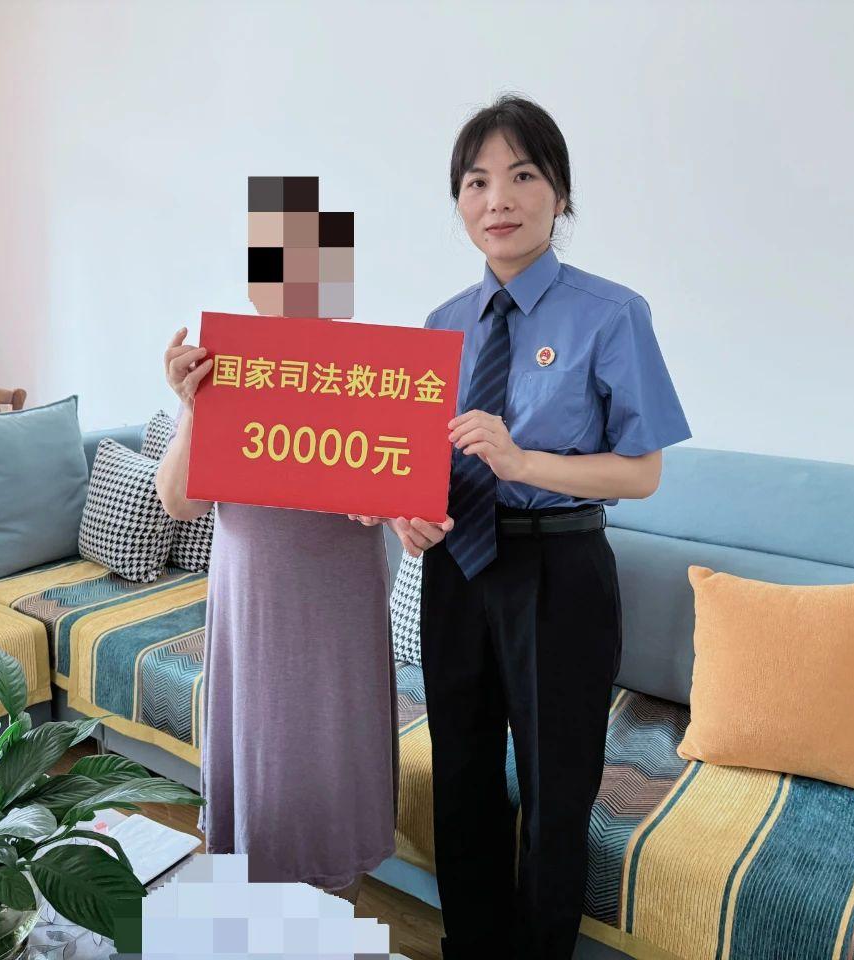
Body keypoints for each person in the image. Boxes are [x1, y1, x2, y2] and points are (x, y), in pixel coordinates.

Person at [360, 95, 691, 958]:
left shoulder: (611, 313)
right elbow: (421, 464)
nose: (497, 199)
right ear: (459, 201)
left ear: (560, 193)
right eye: (476, 182)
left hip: (559, 573)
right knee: (462, 777)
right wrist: (408, 514)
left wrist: (523, 461)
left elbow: (643, 473)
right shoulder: (440, 325)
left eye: (521, 175)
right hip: (457, 570)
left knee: (555, 791)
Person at [155, 179, 396, 904]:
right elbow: (179, 502)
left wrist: (385, 504)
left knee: (333, 772)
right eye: (277, 266)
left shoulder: (371, 369)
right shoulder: (222, 369)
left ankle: (331, 927)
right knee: (258, 777)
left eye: (313, 263)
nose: (294, 283)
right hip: (254, 613)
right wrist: (191, 407)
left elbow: (404, 496)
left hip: (338, 614)